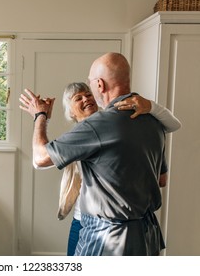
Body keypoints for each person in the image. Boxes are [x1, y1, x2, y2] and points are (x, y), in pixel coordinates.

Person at [19, 52, 171, 255]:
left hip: (109, 240)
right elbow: (161, 180)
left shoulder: (98, 126)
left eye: (90, 85)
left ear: (99, 84)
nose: (88, 93)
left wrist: (40, 116)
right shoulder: (154, 122)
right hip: (147, 237)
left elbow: (39, 158)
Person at [54, 82, 181, 255]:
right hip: (81, 219)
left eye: (88, 94)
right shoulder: (72, 139)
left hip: (109, 225)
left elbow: (162, 178)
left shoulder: (113, 127)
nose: (86, 99)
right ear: (70, 111)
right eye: (78, 98)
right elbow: (41, 160)